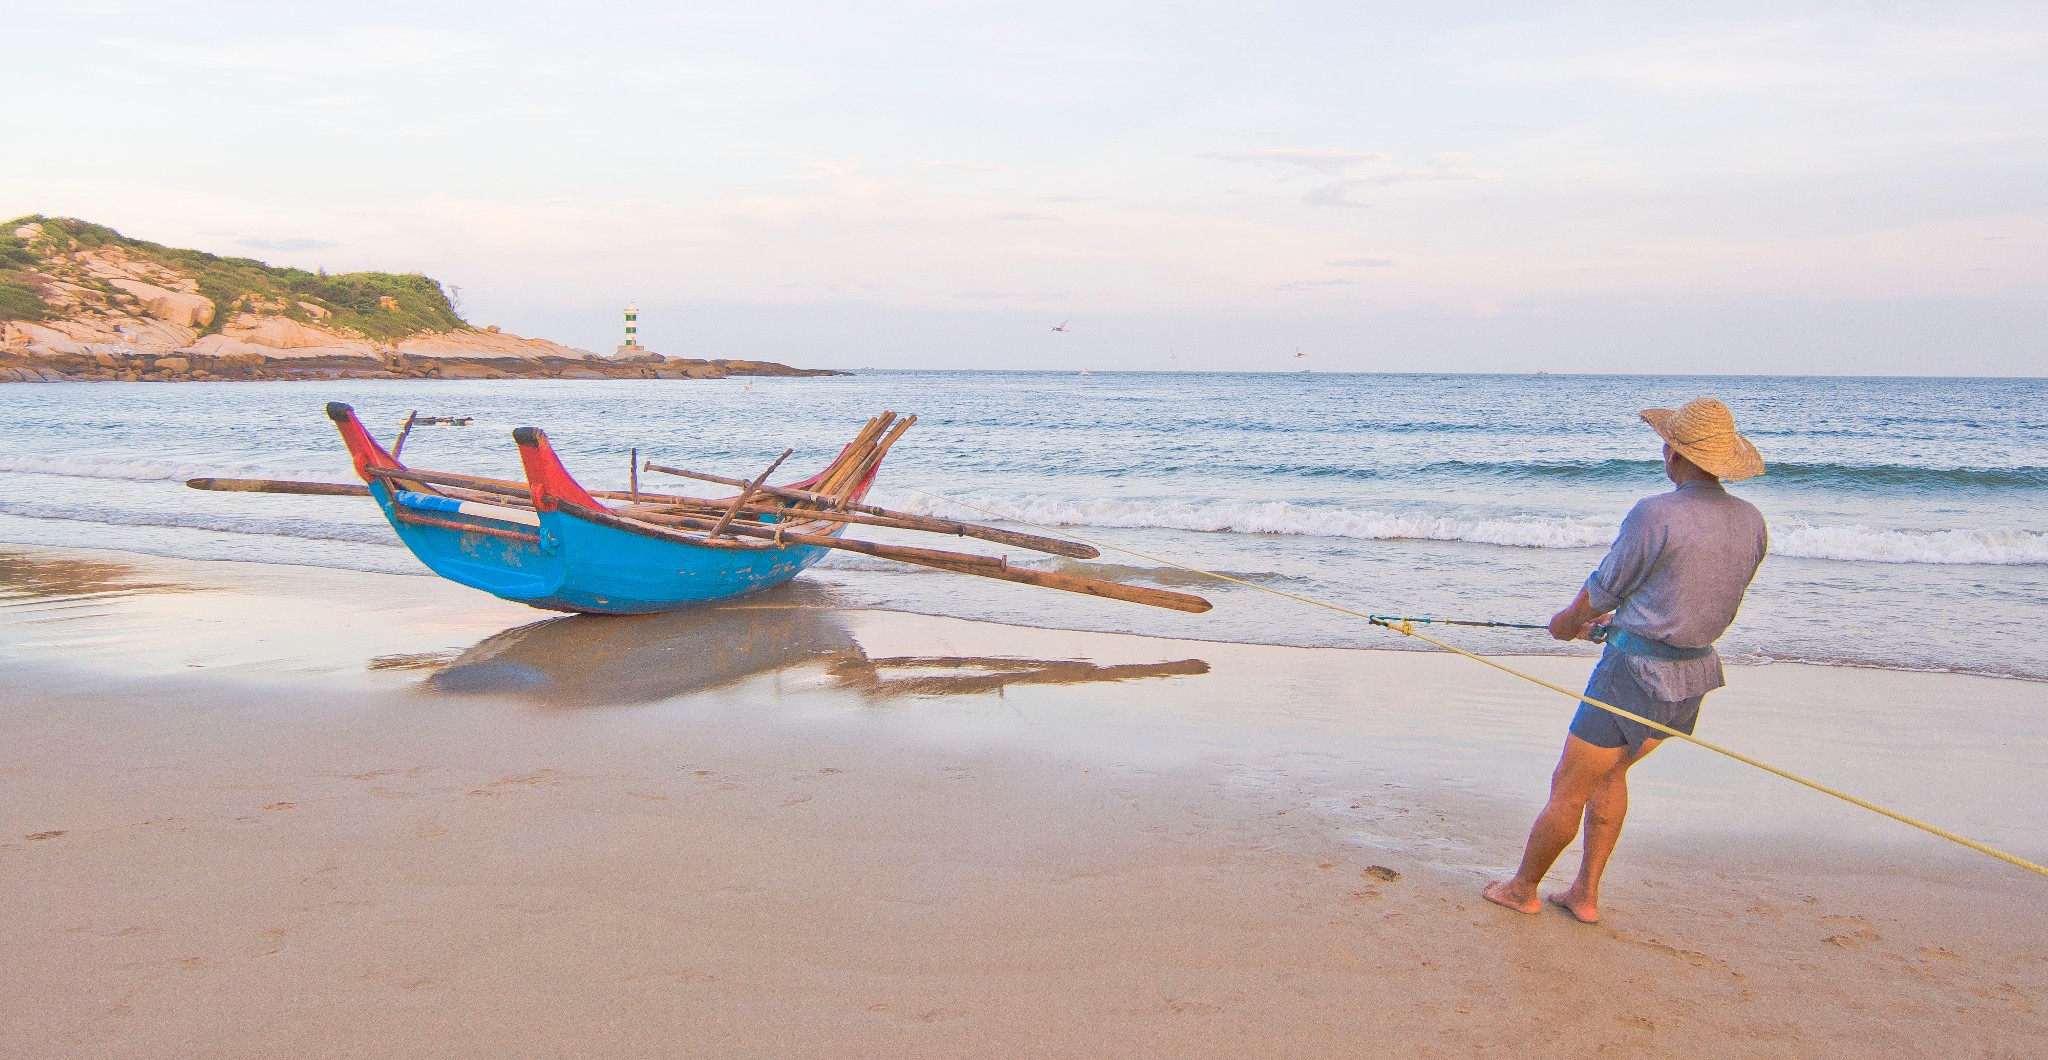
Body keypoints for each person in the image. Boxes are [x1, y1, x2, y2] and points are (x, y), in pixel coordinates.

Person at [1483, 397, 1768, 924]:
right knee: (1610, 776)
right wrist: (1625, 626)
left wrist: (1567, 624)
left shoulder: (1655, 512)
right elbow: (1700, 597)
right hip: (1692, 680)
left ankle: (1522, 888)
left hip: (1632, 677)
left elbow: (1605, 588)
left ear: (1675, 455)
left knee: (1569, 786)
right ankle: (1584, 895)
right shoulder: (1752, 521)